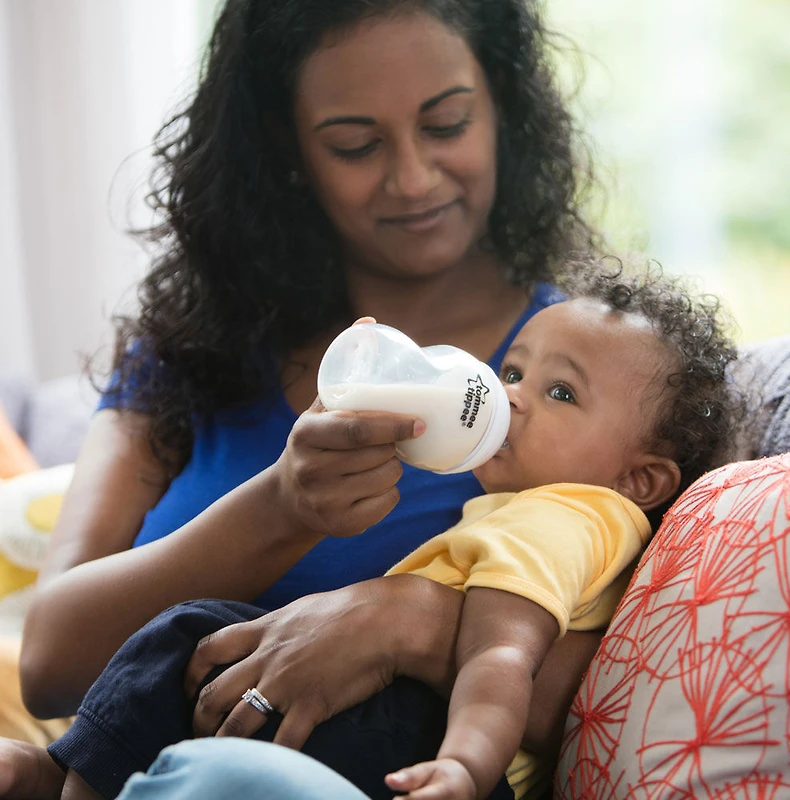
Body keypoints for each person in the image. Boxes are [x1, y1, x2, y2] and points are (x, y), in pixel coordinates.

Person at [0, 0, 601, 797]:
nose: (414, 176)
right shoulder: (189, 353)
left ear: (504, 110)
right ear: (285, 149)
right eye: (355, 144)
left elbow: (627, 690)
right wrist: (282, 508)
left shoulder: (580, 383)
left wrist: (409, 623)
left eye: (447, 124)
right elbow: (49, 664)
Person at [47, 263, 743, 800]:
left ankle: (63, 782)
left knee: (189, 635)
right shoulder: (534, 512)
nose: (507, 395)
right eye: (512, 370)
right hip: (420, 734)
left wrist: (464, 767)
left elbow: (501, 654)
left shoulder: (562, 518)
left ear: (642, 480)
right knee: (206, 647)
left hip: (431, 744)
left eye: (559, 393)